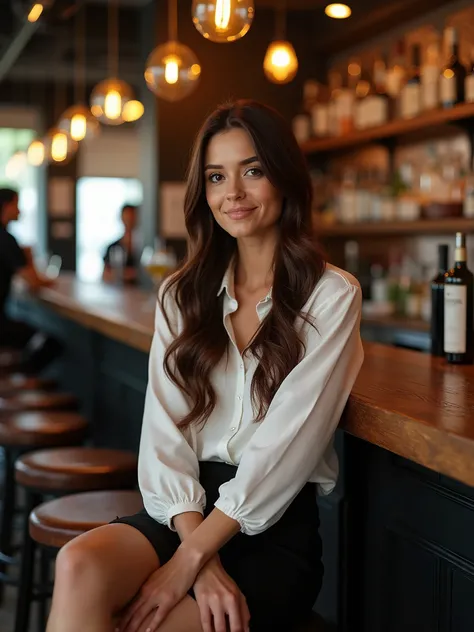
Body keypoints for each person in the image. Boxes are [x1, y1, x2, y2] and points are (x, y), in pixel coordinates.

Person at [46, 100, 364, 632]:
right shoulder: (181, 294)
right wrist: (196, 556)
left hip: (271, 524)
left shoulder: (330, 296)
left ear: (284, 177)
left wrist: (188, 564)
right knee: (77, 563)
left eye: (253, 171)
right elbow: (163, 435)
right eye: (217, 176)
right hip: (182, 510)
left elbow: (284, 450)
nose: (233, 193)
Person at [0, 188, 60, 373]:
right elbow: (33, 282)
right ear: (5, 206)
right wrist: (29, 258)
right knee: (51, 344)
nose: (19, 211)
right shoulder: (6, 240)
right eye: (16, 205)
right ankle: (19, 383)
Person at [103, 204, 140, 284]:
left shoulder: (143, 247)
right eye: (127, 216)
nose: (129, 220)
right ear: (121, 218)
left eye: (132, 216)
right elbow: (105, 275)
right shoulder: (112, 247)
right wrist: (125, 274)